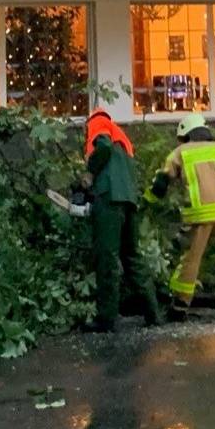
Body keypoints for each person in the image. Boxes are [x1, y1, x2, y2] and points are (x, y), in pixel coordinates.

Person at [150, 114, 215, 322]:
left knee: (190, 260)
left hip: (199, 214)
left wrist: (149, 202)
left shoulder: (179, 153)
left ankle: (180, 306)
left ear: (185, 135)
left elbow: (162, 181)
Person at [82, 108, 160, 332]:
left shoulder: (98, 122)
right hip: (129, 198)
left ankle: (105, 318)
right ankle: (153, 312)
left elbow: (103, 146)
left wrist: (90, 172)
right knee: (131, 255)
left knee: (107, 256)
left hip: (109, 196)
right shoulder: (123, 136)